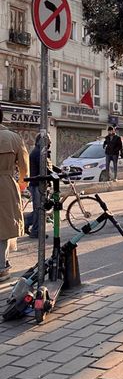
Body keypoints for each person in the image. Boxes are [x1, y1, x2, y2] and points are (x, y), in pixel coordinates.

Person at [0, 109, 28, 279]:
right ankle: (2, 267)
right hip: (6, 184)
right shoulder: (14, 138)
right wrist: (22, 185)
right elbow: (25, 168)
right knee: (3, 226)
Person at [26, 133, 55, 239]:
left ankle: (30, 225)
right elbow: (45, 168)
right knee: (39, 209)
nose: (50, 142)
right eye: (48, 140)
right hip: (37, 185)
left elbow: (49, 166)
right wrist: (55, 175)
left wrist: (59, 171)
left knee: (40, 209)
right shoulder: (39, 153)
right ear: (42, 141)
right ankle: (34, 230)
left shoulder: (42, 152)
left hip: (40, 184)